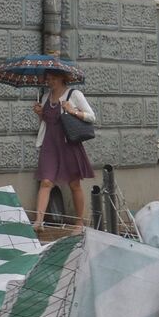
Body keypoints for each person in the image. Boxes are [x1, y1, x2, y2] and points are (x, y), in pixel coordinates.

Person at [33, 70, 95, 230]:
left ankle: (79, 222)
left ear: (62, 78)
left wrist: (72, 110)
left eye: (52, 78)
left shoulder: (74, 95)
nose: (49, 81)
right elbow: (47, 122)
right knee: (46, 182)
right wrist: (40, 114)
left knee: (74, 184)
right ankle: (38, 221)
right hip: (50, 144)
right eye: (47, 78)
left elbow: (91, 116)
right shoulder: (46, 97)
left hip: (68, 144)